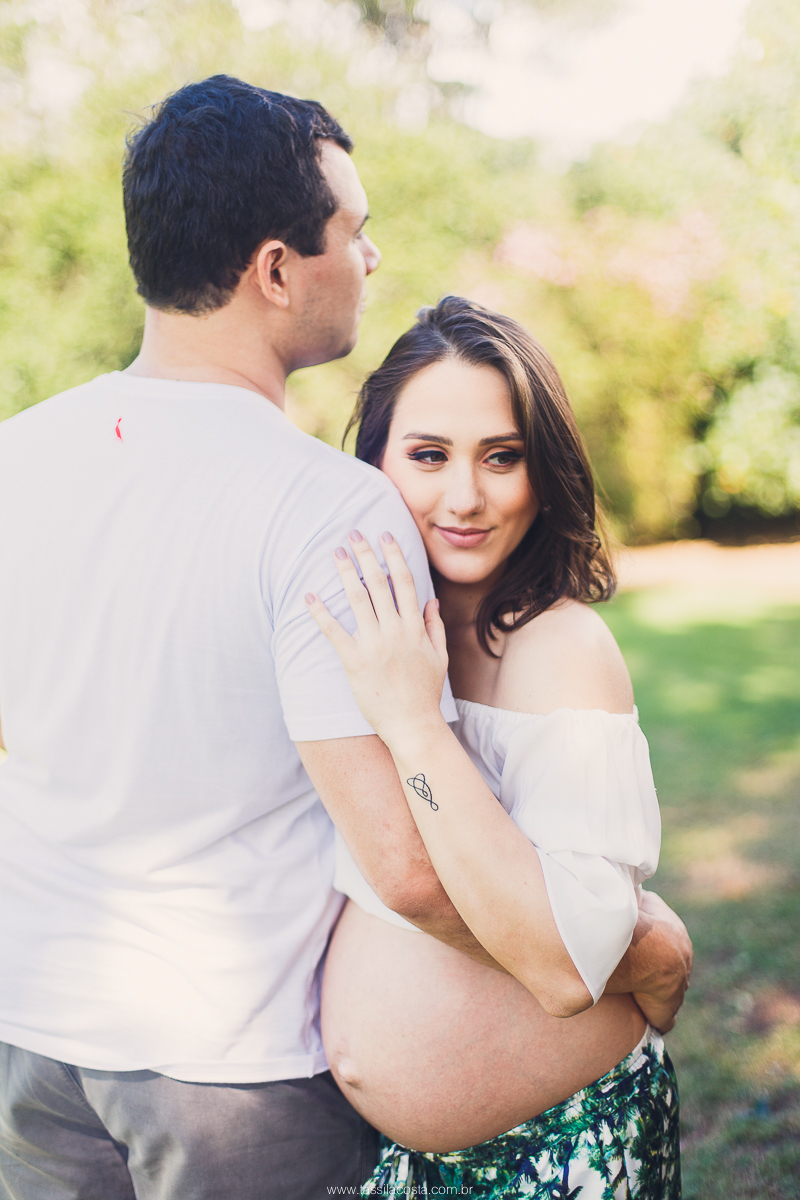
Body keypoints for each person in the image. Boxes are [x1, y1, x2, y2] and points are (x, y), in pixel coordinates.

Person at [0, 75, 690, 1198]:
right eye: (352, 233)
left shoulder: (17, 457)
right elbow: (409, 872)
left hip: (31, 1032)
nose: (368, 259)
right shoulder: (320, 505)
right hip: (222, 1071)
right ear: (277, 270)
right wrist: (635, 948)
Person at [306, 297, 692, 1198]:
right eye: (429, 455)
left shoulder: (559, 649)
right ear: (374, 465)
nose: (466, 496)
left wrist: (411, 721)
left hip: (555, 1153)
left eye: (502, 457)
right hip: (406, 1164)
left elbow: (562, 964)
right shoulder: (381, 623)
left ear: (543, 473)